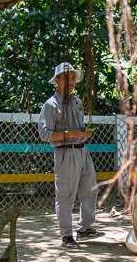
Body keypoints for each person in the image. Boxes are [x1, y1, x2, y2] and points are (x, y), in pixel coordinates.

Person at [37, 62, 101, 248]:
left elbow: (77, 128)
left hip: (83, 151)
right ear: (57, 80)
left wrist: (83, 133)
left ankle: (85, 228)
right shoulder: (50, 105)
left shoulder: (77, 102)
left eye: (73, 77)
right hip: (65, 154)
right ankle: (66, 234)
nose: (71, 81)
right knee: (65, 195)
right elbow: (45, 134)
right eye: (66, 77)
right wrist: (71, 134)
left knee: (90, 189)